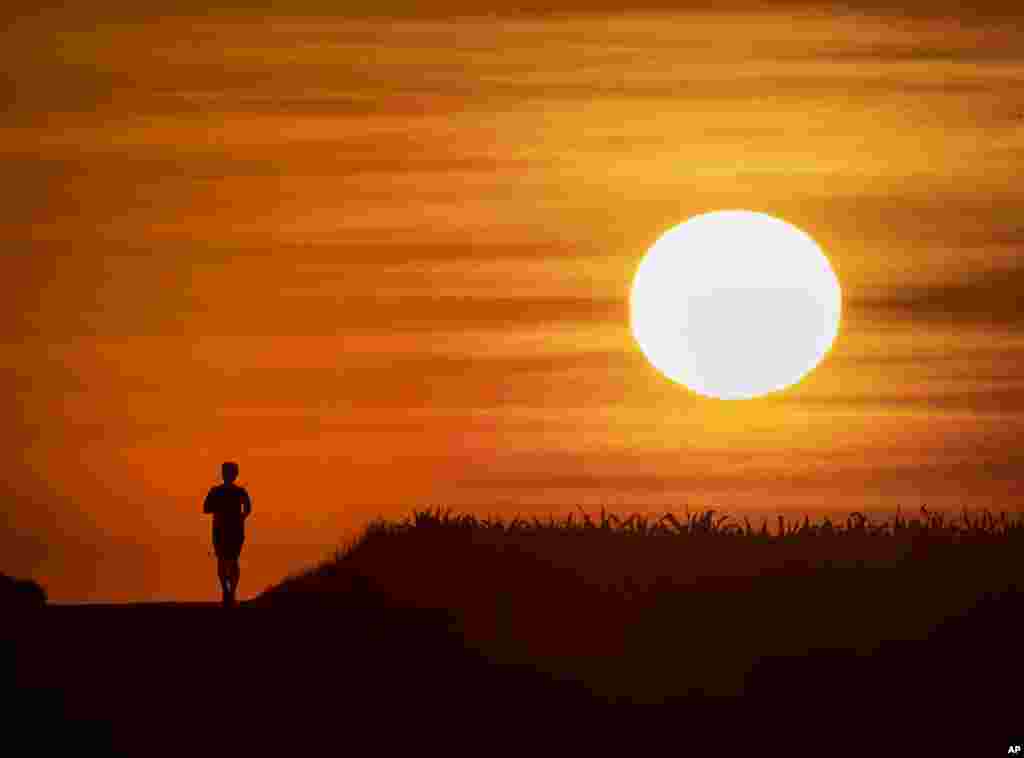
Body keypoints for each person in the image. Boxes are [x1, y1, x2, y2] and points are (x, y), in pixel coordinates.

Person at [203, 461, 252, 607]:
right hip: (231, 529)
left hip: (223, 529)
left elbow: (206, 508)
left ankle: (227, 591)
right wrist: (241, 517)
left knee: (224, 560)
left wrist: (221, 509)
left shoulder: (217, 491)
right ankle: (230, 592)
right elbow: (248, 509)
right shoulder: (238, 491)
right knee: (231, 560)